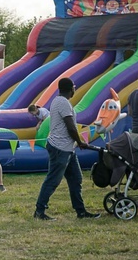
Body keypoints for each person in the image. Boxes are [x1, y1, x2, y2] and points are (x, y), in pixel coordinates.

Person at [34, 78, 100, 220]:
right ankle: (39, 211)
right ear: (71, 88)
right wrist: (80, 141)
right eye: (74, 87)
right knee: (53, 180)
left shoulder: (59, 101)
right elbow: (71, 126)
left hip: (67, 148)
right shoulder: (63, 103)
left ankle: (81, 211)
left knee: (76, 178)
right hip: (60, 148)